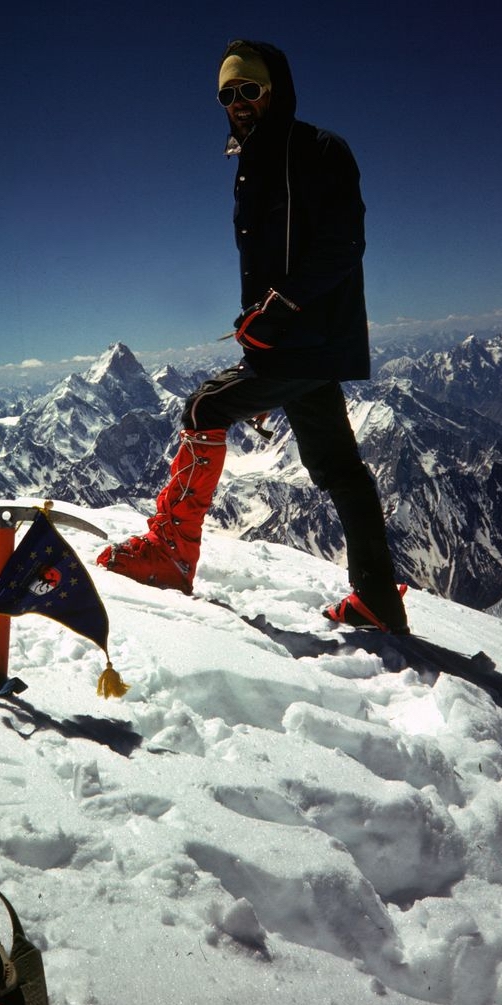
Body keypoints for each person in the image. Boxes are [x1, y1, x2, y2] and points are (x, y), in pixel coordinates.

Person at [97, 39, 408, 635]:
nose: (239, 102)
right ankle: (377, 601)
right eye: (228, 94)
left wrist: (279, 308)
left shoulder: (316, 151)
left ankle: (172, 552)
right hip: (296, 340)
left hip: (306, 338)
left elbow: (343, 244)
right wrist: (264, 324)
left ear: (276, 90)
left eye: (250, 89)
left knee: (203, 406)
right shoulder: (253, 163)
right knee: (338, 466)